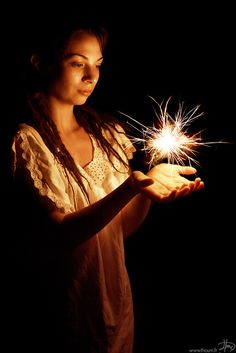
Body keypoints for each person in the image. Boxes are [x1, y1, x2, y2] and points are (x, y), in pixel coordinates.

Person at [9, 21, 204, 353]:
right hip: (62, 314)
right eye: (77, 63)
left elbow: (120, 229)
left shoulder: (108, 133)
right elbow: (62, 235)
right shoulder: (27, 142)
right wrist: (131, 187)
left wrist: (146, 190)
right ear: (41, 63)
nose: (91, 77)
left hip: (113, 309)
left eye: (97, 65)